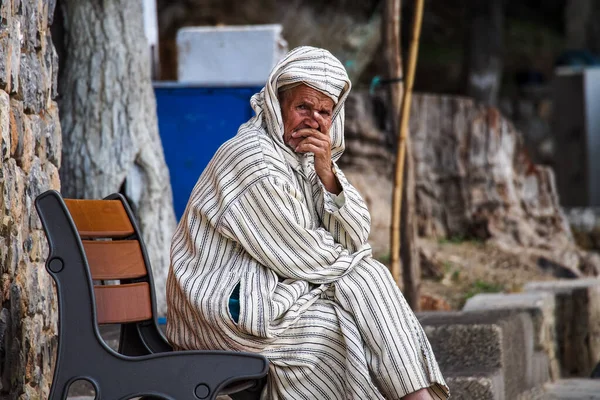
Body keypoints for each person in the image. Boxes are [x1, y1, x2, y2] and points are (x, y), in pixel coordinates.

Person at [166, 46, 449, 400]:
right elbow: (304, 255)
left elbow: (354, 235)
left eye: (325, 112)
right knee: (340, 319)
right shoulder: (252, 160)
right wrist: (357, 269)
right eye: (302, 107)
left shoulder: (307, 160)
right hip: (222, 311)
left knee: (354, 305)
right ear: (277, 105)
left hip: (270, 296)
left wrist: (328, 174)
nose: (313, 119)